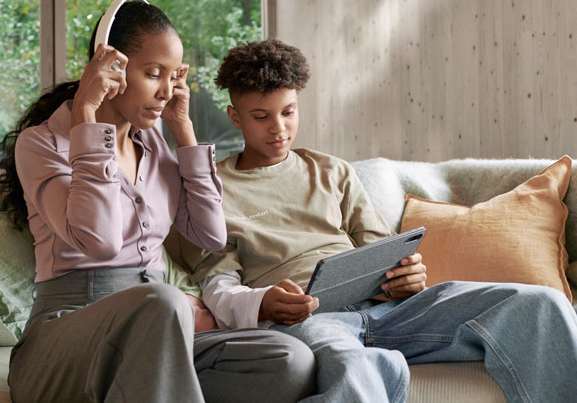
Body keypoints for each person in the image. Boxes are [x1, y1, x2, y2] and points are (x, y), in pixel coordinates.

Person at [181, 39, 577, 403]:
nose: (279, 128)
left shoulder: (330, 170)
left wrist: (407, 275)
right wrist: (261, 303)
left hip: (390, 310)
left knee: (539, 304)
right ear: (235, 116)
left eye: (288, 112)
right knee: (358, 366)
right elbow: (218, 285)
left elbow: (382, 251)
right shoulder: (212, 189)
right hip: (309, 323)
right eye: (261, 116)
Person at [0, 0, 314, 403]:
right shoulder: (42, 144)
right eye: (153, 73)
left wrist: (183, 130)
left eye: (173, 76)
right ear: (109, 68)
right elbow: (101, 241)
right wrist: (86, 114)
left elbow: (210, 235)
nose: (165, 91)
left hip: (160, 330)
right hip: (66, 344)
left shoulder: (154, 145)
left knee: (289, 360)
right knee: (164, 301)